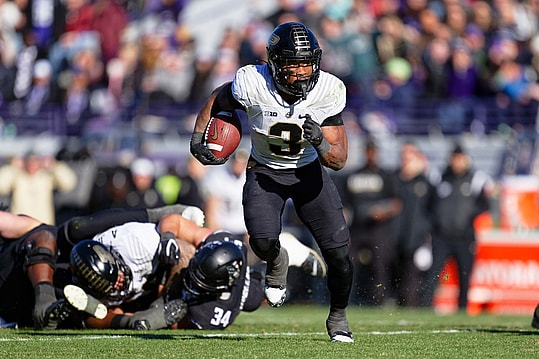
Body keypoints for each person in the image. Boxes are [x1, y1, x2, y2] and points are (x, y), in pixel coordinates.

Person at [189, 22, 354, 342]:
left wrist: (319, 141)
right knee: (262, 241)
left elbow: (338, 159)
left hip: (308, 174)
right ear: (276, 64)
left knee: (339, 255)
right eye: (293, 64)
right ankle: (279, 260)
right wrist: (198, 137)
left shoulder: (328, 91)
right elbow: (217, 99)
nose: (302, 72)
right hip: (265, 172)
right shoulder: (252, 83)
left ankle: (338, 317)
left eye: (307, 63)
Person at [64, 215, 327, 330]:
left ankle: (286, 254)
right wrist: (129, 321)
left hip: (172, 279)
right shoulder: (91, 277)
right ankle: (284, 255)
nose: (119, 283)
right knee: (182, 252)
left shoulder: (137, 243)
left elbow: (180, 224)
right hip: (159, 282)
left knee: (250, 298)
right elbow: (99, 315)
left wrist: (164, 318)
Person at [0, 203, 204, 329]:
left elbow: (45, 234)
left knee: (67, 231)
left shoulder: (136, 246)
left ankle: (44, 302)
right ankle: (134, 321)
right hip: (37, 299)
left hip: (52, 277)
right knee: (80, 305)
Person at [423, 144, 492, 310]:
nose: (457, 162)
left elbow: (484, 205)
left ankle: (462, 309)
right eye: (455, 158)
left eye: (460, 158)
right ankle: (425, 308)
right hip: (442, 237)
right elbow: (429, 204)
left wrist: (468, 217)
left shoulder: (475, 179)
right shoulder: (440, 177)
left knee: (464, 276)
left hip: (465, 238)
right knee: (433, 274)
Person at [339, 138, 402, 306]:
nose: (371, 154)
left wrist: (383, 212)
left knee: (380, 265)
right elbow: (344, 204)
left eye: (373, 151)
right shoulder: (353, 175)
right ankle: (346, 299)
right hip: (357, 228)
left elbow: (396, 203)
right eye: (368, 151)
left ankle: (380, 300)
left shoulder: (385, 176)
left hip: (378, 229)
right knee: (349, 263)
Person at [0, 210, 69, 330]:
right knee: (45, 237)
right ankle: (45, 302)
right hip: (11, 291)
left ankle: (46, 302)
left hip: (31, 269)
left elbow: (35, 228)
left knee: (45, 236)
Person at [393, 141, 435, 307]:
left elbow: (432, 211)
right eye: (403, 156)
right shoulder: (395, 180)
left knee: (413, 280)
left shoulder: (426, 183)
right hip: (394, 239)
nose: (405, 160)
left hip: (417, 240)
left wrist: (427, 237)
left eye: (409, 156)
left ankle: (413, 306)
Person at [0, 151, 78, 225]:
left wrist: (54, 166)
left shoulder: (46, 177)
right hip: (19, 226)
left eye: (35, 161)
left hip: (42, 226)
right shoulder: (17, 177)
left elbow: (69, 183)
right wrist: (12, 167)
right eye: (29, 161)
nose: (32, 164)